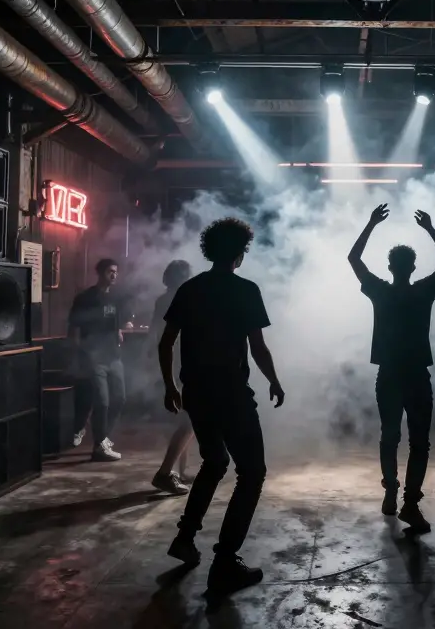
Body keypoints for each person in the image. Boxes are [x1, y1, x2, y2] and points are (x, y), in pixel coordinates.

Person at [158, 218, 285, 594]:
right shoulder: (246, 290)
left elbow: (166, 343)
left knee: (214, 462)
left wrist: (170, 386)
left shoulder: (190, 289)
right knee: (253, 472)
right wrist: (274, 380)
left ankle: (185, 538)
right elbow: (257, 347)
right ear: (239, 252)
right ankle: (225, 560)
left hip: (196, 392)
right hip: (231, 392)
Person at [348, 204, 435, 534]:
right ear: (412, 267)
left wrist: (369, 224)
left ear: (390, 267)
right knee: (419, 442)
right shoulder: (423, 291)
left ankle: (391, 492)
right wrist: (431, 228)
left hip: (389, 375)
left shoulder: (380, 291)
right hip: (416, 375)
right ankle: (410, 502)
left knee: (389, 436)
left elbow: (354, 259)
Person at [69, 258, 133, 461]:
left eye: (115, 272)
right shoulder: (85, 298)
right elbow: (74, 327)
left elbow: (121, 322)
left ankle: (103, 437)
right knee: (102, 401)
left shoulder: (117, 297)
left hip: (114, 356)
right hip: (93, 357)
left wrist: (122, 329)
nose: (113, 275)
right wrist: (76, 353)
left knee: (120, 398)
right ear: (100, 273)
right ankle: (99, 446)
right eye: (109, 272)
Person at [150, 259, 195, 495]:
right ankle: (165, 474)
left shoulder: (161, 300)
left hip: (170, 362)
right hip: (182, 364)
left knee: (186, 420)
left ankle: (180, 471)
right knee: (190, 422)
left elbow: (153, 333)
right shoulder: (184, 298)